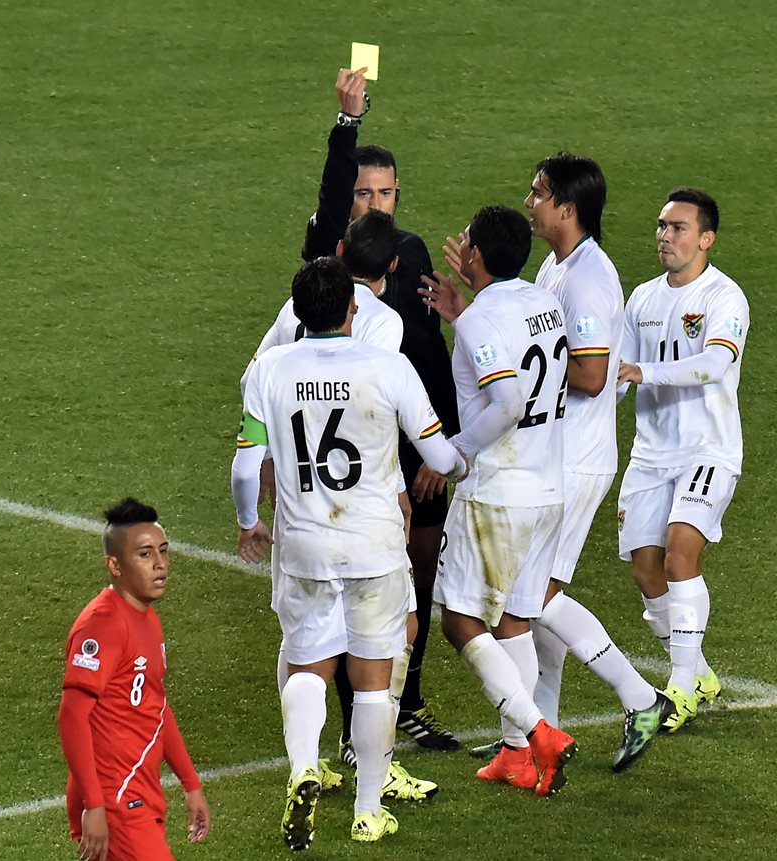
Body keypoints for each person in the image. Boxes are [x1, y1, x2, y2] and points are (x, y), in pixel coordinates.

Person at [444, 155, 670, 773]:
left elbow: (593, 376)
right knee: (525, 608)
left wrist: (502, 362)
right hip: (551, 455)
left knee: (533, 602)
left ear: (568, 208)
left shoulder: (589, 279)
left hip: (576, 457)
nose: (530, 200)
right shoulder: (555, 266)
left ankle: (640, 697)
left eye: (540, 192)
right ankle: (528, 736)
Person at [232, 257, 468, 846]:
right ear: (351, 309)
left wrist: (247, 522)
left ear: (297, 311)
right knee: (371, 679)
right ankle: (367, 809)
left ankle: (305, 768)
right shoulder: (389, 367)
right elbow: (440, 459)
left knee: (309, 664)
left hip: (303, 546)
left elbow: (244, 465)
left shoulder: (269, 369)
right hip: (375, 547)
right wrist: (461, 465)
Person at [301, 67, 461, 753]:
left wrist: (439, 444)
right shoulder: (326, 261)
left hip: (416, 449)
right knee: (361, 596)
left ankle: (409, 702)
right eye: (363, 192)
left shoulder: (411, 252)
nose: (373, 203)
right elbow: (331, 198)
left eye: (384, 192)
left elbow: (431, 352)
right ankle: (353, 729)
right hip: (359, 463)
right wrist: (347, 127)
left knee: (418, 584)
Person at [417, 205, 577, 796]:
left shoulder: (485, 319)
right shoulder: (543, 302)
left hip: (500, 493)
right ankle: (517, 753)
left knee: (462, 620)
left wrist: (454, 454)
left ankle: (539, 733)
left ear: (476, 258)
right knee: (514, 621)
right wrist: (463, 314)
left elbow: (507, 402)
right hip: (548, 488)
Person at [616, 187, 749, 732]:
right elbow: (617, 375)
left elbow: (715, 363)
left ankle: (679, 689)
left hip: (708, 449)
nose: (665, 236)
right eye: (662, 226)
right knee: (646, 570)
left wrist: (645, 374)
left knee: (679, 558)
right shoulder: (642, 299)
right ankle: (699, 671)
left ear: (706, 239)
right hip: (650, 454)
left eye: (678, 228)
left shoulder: (725, 297)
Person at [58, 498, 211, 861]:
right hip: (116, 798)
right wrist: (95, 805)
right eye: (144, 555)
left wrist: (190, 783)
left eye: (163, 551)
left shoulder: (145, 615)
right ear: (115, 565)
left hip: (137, 787)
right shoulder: (103, 625)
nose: (160, 564)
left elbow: (155, 706)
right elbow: (72, 715)